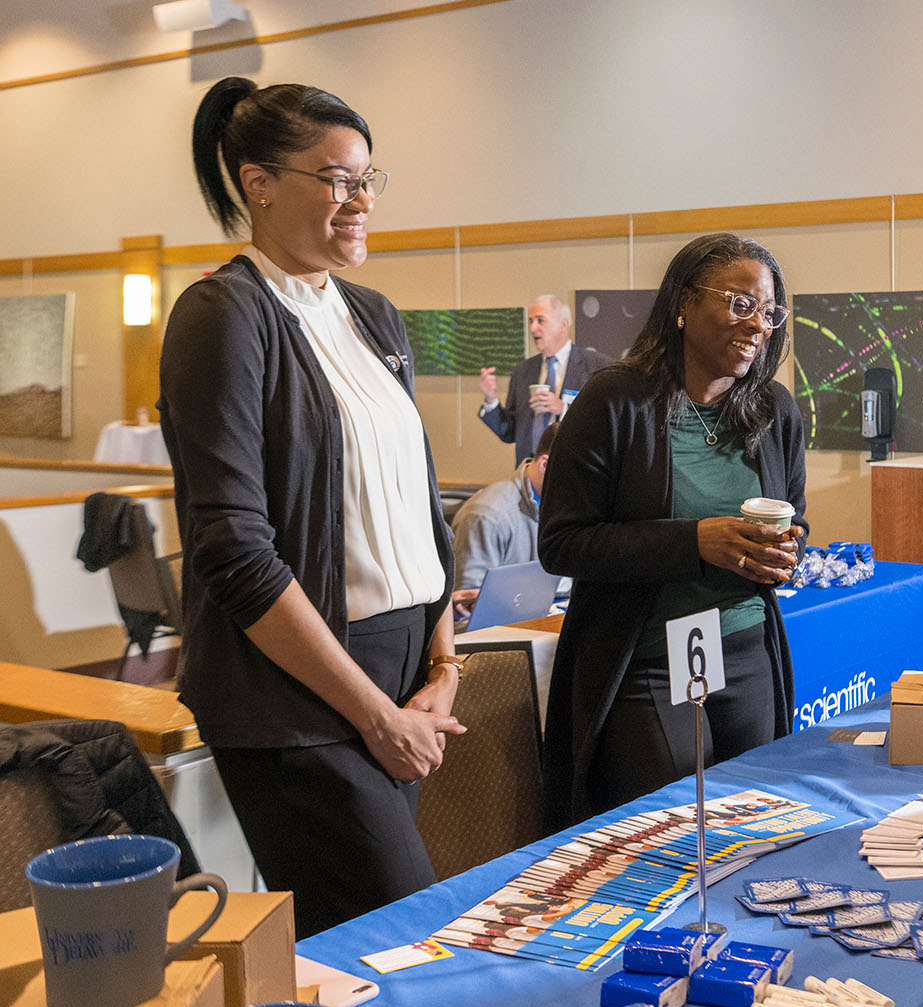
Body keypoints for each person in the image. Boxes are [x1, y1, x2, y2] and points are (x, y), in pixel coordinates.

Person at [162, 77, 465, 937]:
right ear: (258, 182)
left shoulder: (372, 315)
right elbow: (234, 549)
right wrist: (375, 714)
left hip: (405, 674)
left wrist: (442, 667)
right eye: (339, 181)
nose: (360, 202)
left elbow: (418, 506)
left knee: (359, 953)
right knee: (405, 937)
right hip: (301, 698)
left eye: (369, 181)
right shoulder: (224, 313)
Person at [538, 233, 806, 826]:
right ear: (684, 303)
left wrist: (785, 554)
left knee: (752, 828)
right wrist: (693, 543)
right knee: (675, 832)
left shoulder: (775, 410)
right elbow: (561, 541)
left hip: (744, 645)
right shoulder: (615, 401)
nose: (759, 324)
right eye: (740, 304)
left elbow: (797, 520)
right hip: (648, 654)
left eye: (769, 311)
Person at [478, 295, 612, 466]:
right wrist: (490, 399)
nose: (533, 328)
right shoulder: (522, 371)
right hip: (529, 476)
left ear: (563, 325)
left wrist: (563, 408)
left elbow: (605, 426)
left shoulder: (596, 367)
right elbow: (509, 432)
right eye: (531, 321)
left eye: (540, 321)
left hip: (574, 470)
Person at [449, 420, 558, 618]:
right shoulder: (487, 515)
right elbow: (465, 610)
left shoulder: (558, 506)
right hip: (492, 634)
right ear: (545, 464)